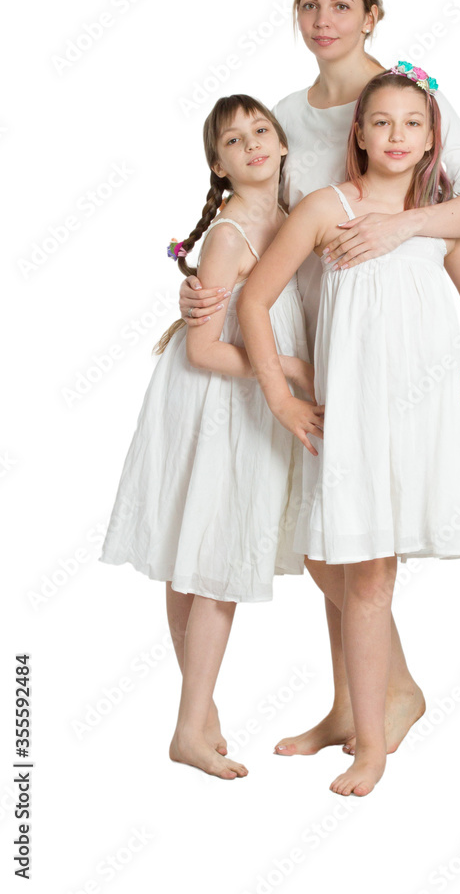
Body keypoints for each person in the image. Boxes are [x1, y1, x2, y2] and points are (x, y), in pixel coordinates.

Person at [177, 0, 460, 786]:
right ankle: (364, 704)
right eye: (309, 5)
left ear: (373, 14)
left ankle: (398, 702)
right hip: (322, 348)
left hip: (400, 360)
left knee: (363, 551)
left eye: (343, 5)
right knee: (331, 551)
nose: (324, 20)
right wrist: (204, 285)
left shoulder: (410, 98)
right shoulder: (285, 114)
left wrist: (404, 230)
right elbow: (256, 213)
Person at [99, 95, 318, 779]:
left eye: (261, 131)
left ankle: (199, 710)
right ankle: (190, 725)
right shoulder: (230, 235)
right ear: (217, 165)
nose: (251, 144)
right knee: (214, 555)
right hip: (215, 400)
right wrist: (289, 367)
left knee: (195, 553)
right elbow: (203, 351)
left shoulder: (288, 218)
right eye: (233, 139)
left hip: (245, 397)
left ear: (283, 145)